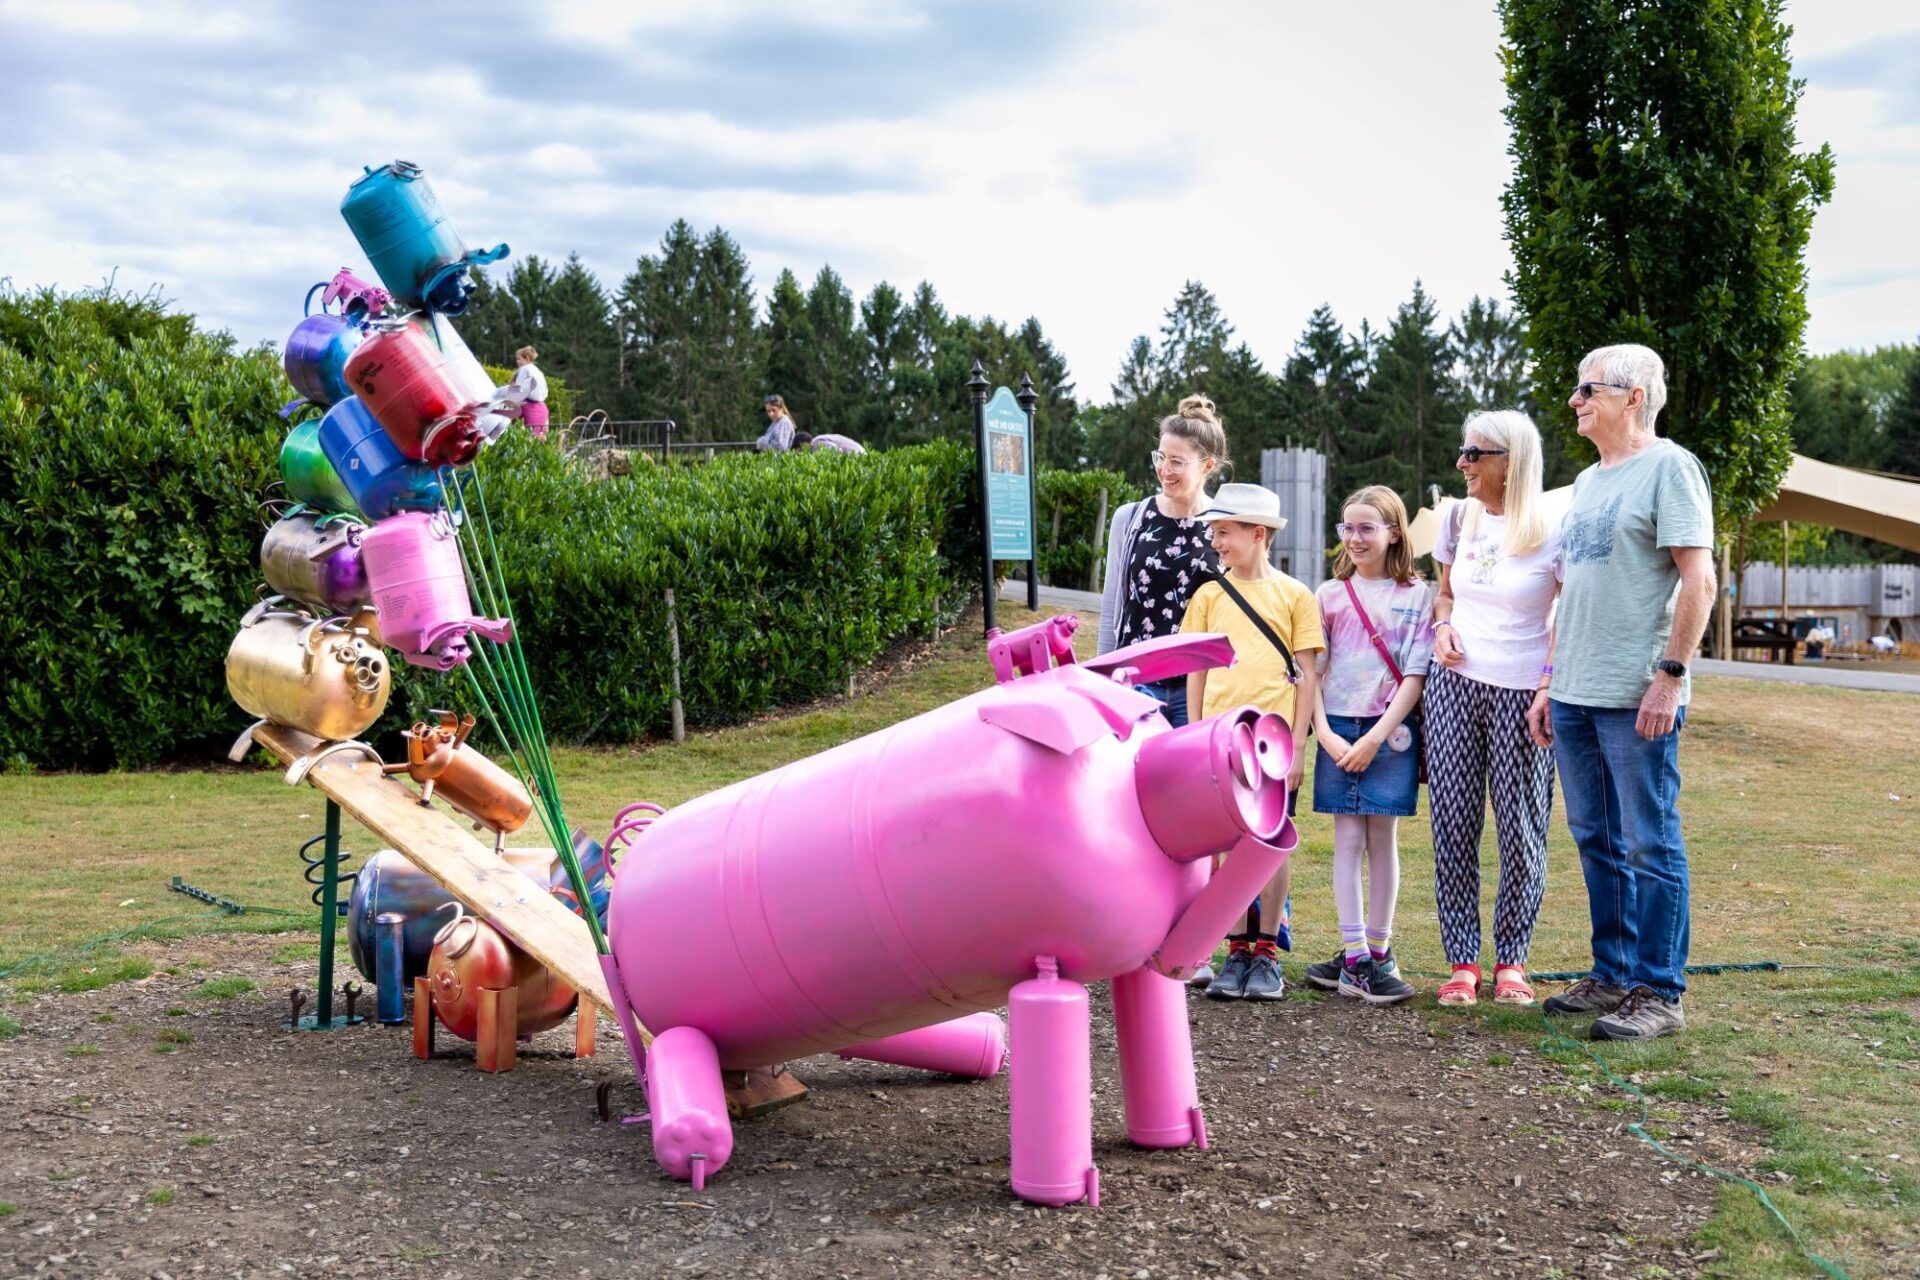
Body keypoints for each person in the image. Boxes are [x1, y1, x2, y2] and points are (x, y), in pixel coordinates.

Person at [1534, 343, 1715, 1042]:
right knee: (1595, 838)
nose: (1575, 400)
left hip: (1637, 690)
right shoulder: (1588, 480)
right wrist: (1553, 682)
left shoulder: (1670, 468)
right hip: (1577, 692)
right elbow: (1574, 589)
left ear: (1633, 396)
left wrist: (1668, 679)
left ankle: (1659, 991)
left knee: (1649, 842)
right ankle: (1611, 974)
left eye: (1588, 390)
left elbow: (1697, 580)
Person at [1426, 411, 1563, 1007]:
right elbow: (1447, 591)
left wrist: (1548, 686)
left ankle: (1512, 961)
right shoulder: (1459, 516)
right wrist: (1442, 626)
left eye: (1475, 454)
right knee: (1452, 824)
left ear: (1512, 461)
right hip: (1454, 685)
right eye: (1463, 451)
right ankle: (1462, 962)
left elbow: (1568, 613)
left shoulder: (1556, 528)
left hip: (1523, 693)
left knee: (1521, 830)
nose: (1463, 463)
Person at [1181, 484, 1323, 1002]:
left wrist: (1301, 748)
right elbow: (1197, 670)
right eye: (1214, 532)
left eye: (1224, 532)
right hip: (1220, 745)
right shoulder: (1208, 596)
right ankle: (1235, 950)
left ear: (1256, 533)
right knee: (1224, 850)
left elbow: (1306, 675)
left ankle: (1266, 954)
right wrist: (1196, 734)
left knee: (1267, 850)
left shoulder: (1295, 596)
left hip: (1274, 746)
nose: (1215, 541)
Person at [1304, 486, 1431, 1005]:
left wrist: (1377, 735)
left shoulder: (1416, 596)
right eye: (1347, 529)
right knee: (1348, 840)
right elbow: (1310, 672)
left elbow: (1416, 673)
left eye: (1366, 529)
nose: (1354, 538)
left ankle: (1378, 951)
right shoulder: (1328, 596)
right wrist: (1327, 733)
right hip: (1337, 725)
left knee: (1384, 839)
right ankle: (1354, 956)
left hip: (1389, 732)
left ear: (1393, 533)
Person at [1095, 394, 1228, 727]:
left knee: (1189, 780)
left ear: (1207, 466)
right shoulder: (1131, 518)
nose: (1163, 470)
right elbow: (1112, 604)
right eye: (1161, 457)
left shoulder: (1223, 527)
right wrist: (1100, 678)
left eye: (1177, 462)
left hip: (1197, 689)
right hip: (1134, 683)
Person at [508, 345, 549, 440]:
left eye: (519, 359)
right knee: (538, 436)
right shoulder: (538, 371)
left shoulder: (524, 369)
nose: (517, 361)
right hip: (540, 405)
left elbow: (518, 388)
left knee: (528, 436)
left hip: (527, 405)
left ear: (526, 358)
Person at [795, 431, 866, 454]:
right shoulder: (818, 440)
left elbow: (836, 451)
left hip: (859, 457)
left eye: (799, 450)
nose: (802, 453)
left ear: (803, 444)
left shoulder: (816, 443)